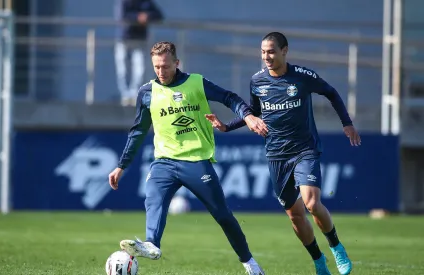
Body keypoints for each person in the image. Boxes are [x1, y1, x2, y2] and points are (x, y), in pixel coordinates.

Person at [205, 32, 360, 275]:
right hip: (276, 155)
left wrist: (347, 123)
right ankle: (319, 262)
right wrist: (226, 126)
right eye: (263, 52)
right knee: (295, 215)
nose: (266, 56)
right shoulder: (257, 81)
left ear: (284, 51)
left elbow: (331, 92)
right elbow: (254, 113)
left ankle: (336, 246)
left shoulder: (302, 77)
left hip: (304, 149)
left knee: (311, 203)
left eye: (271, 51)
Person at [108, 41, 266, 275]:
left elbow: (230, 97)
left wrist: (249, 116)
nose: (161, 72)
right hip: (164, 161)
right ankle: (152, 243)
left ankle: (250, 264)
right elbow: (138, 131)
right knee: (153, 197)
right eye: (156, 67)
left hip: (196, 160)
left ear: (177, 63)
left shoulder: (196, 83)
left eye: (165, 66)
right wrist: (121, 166)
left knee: (223, 216)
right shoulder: (147, 92)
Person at [114, 0, 164, 106]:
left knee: (140, 69)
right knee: (123, 70)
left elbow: (159, 15)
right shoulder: (123, 1)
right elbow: (122, 16)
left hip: (140, 40)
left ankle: (134, 95)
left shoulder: (145, 2)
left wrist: (147, 16)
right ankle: (126, 96)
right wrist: (137, 17)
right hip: (124, 39)